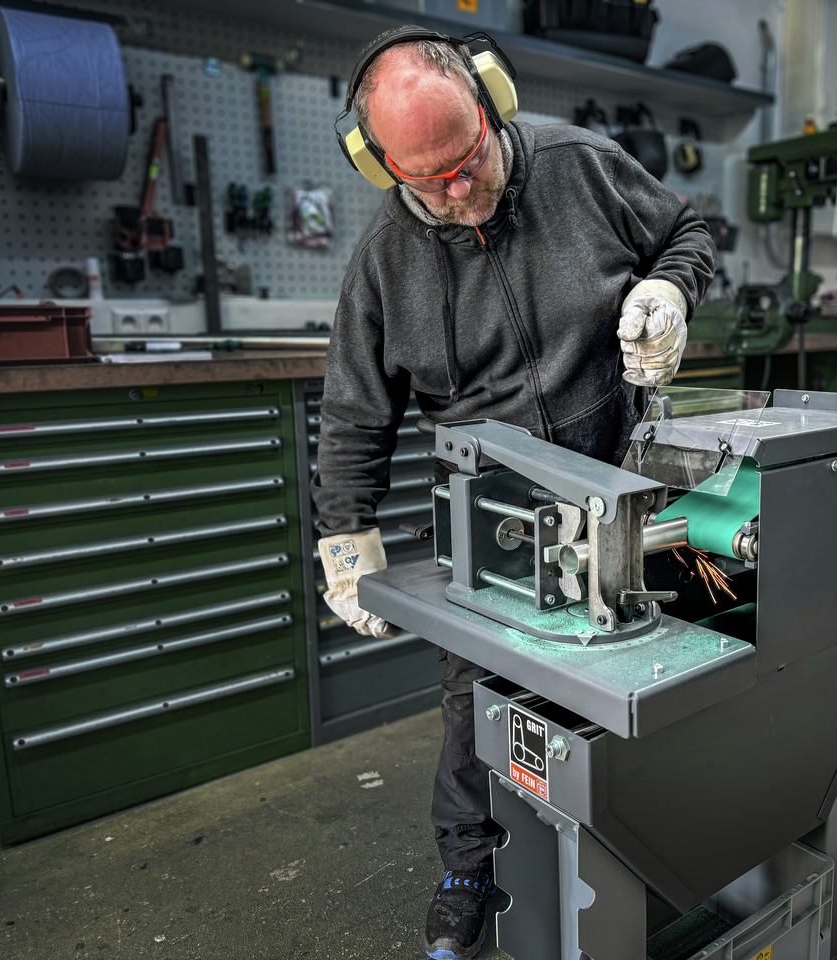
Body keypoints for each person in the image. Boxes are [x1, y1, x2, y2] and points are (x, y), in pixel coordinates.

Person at [311, 26, 716, 960]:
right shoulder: (384, 261)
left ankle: (657, 847)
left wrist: (669, 289)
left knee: (652, 663)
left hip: (625, 478)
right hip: (492, 516)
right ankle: (469, 869)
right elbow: (355, 414)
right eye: (429, 182)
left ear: (493, 101)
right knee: (477, 697)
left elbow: (686, 231)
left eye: (468, 160)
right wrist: (345, 539)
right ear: (380, 165)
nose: (458, 193)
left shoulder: (583, 166)